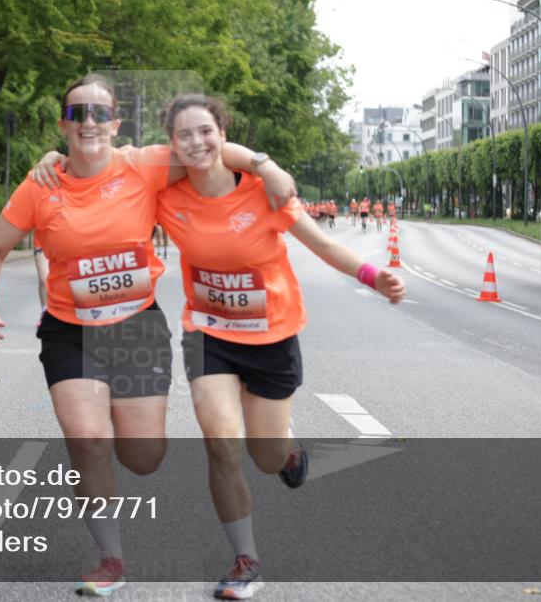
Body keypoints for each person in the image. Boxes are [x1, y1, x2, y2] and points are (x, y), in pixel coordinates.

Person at [0, 74, 296, 597]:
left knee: (144, 458)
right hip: (70, 332)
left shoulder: (143, 165)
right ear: (64, 125)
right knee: (87, 441)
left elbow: (209, 150)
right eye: (78, 114)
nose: (89, 122)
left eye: (100, 113)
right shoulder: (41, 184)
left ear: (116, 123)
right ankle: (111, 560)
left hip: (136, 329)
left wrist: (265, 164)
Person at [155, 95, 405, 600]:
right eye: (184, 134)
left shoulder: (263, 192)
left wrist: (372, 275)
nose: (196, 142)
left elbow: (322, 244)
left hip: (271, 338)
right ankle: (245, 560)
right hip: (207, 334)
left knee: (266, 456)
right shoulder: (167, 196)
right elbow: (108, 169)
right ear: (172, 144)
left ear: (223, 134)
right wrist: (54, 160)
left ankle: (287, 450)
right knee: (220, 442)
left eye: (205, 131)